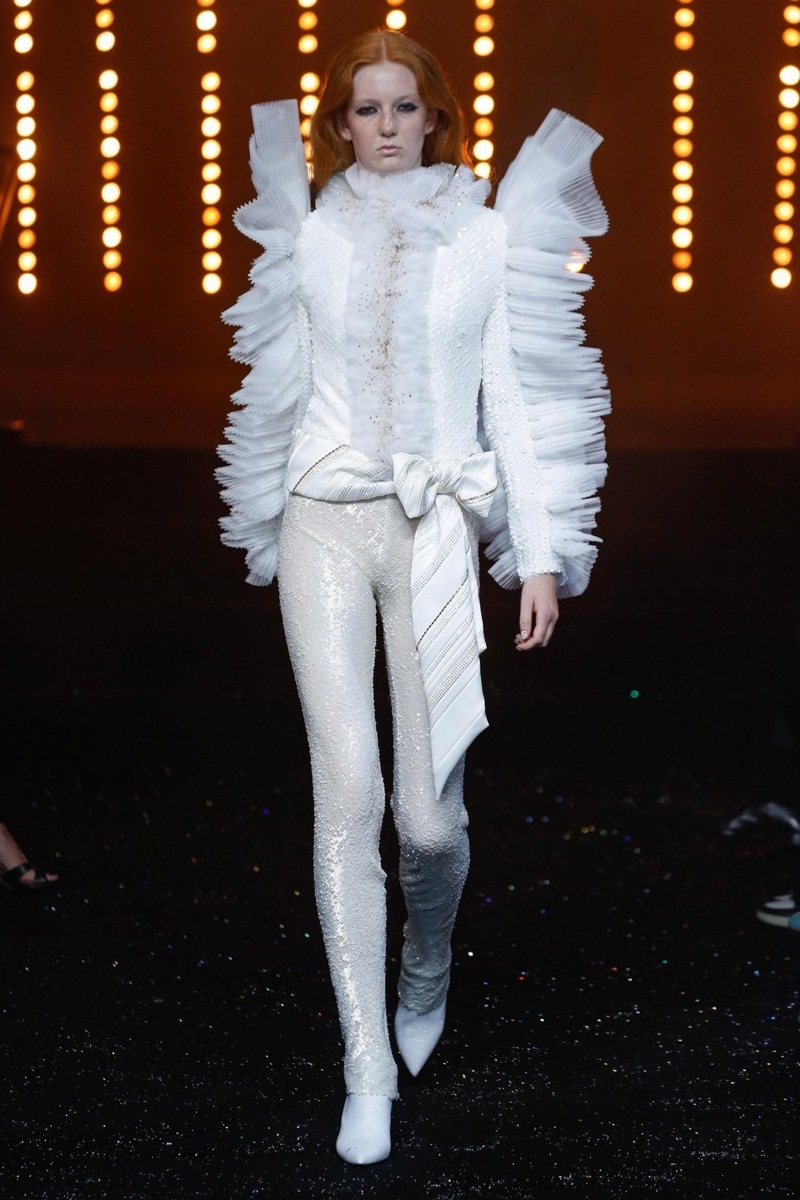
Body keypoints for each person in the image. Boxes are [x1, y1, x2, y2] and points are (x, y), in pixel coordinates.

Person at [217, 29, 609, 1164]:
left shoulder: (483, 234)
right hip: (323, 519)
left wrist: (537, 551)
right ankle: (366, 1069)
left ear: (433, 115)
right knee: (346, 793)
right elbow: (280, 381)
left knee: (428, 822)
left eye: (402, 106)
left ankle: (426, 962)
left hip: (434, 527)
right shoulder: (308, 232)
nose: (383, 126)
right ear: (338, 124)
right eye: (363, 108)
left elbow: (509, 396)